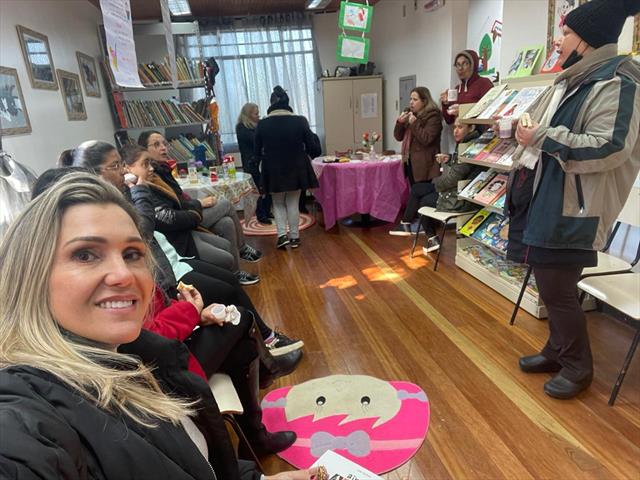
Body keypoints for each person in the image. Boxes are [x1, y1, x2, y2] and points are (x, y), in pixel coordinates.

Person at [0, 173, 317, 479]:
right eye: (85, 255)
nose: (124, 275)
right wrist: (190, 313)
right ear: (30, 274)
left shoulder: (136, 355)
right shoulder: (25, 410)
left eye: (132, 253)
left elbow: (191, 461)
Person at [508, 0, 640, 399]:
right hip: (557, 194)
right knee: (549, 284)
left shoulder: (619, 82)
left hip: (577, 205)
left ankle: (578, 367)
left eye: (565, 33)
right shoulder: (581, 79)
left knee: (558, 288)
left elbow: (610, 147)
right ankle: (557, 349)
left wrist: (542, 137)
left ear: (586, 40)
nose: (559, 40)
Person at [137, 131, 262, 285]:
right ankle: (242, 248)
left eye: (164, 143)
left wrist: (195, 203)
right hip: (184, 222)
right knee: (225, 204)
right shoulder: (150, 177)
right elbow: (173, 212)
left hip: (186, 215)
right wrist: (199, 204)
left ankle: (235, 274)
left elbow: (179, 199)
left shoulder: (163, 170)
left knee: (227, 222)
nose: (163, 148)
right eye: (156, 145)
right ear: (143, 150)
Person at [390, 119, 480, 253]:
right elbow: (461, 170)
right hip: (454, 190)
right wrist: (449, 159)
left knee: (424, 201)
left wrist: (437, 184)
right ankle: (406, 224)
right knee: (417, 189)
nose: (455, 130)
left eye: (460, 127)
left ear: (471, 128)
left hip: (457, 196)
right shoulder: (465, 143)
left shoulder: (468, 146)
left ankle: (430, 236)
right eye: (454, 127)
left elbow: (452, 179)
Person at [254, 86, 321, 249]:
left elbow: (256, 152)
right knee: (293, 202)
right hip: (297, 167)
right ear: (287, 102)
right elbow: (313, 148)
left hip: (273, 168)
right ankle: (295, 237)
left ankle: (282, 236)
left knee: (277, 203)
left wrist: (255, 172)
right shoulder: (300, 121)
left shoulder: (262, 124)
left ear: (271, 103)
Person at [394, 86, 443, 185]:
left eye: (415, 99)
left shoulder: (433, 116)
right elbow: (398, 137)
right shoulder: (411, 114)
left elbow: (427, 139)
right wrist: (400, 122)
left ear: (424, 101)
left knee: (420, 193)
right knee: (413, 192)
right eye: (410, 99)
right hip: (409, 161)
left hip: (424, 165)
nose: (411, 102)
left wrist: (414, 124)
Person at [236, 102, 273, 224]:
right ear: (248, 114)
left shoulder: (257, 126)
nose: (258, 115)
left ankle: (267, 211)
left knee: (267, 188)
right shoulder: (241, 127)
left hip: (262, 162)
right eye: (256, 113)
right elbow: (255, 141)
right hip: (251, 164)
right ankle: (261, 214)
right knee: (257, 190)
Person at [440, 50, 494, 125]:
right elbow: (449, 121)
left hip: (478, 133)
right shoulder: (457, 88)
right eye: (457, 65)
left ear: (473, 65)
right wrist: (445, 104)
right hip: (460, 134)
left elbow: (490, 110)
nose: (460, 68)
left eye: (465, 64)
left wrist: (462, 110)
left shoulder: (484, 83)